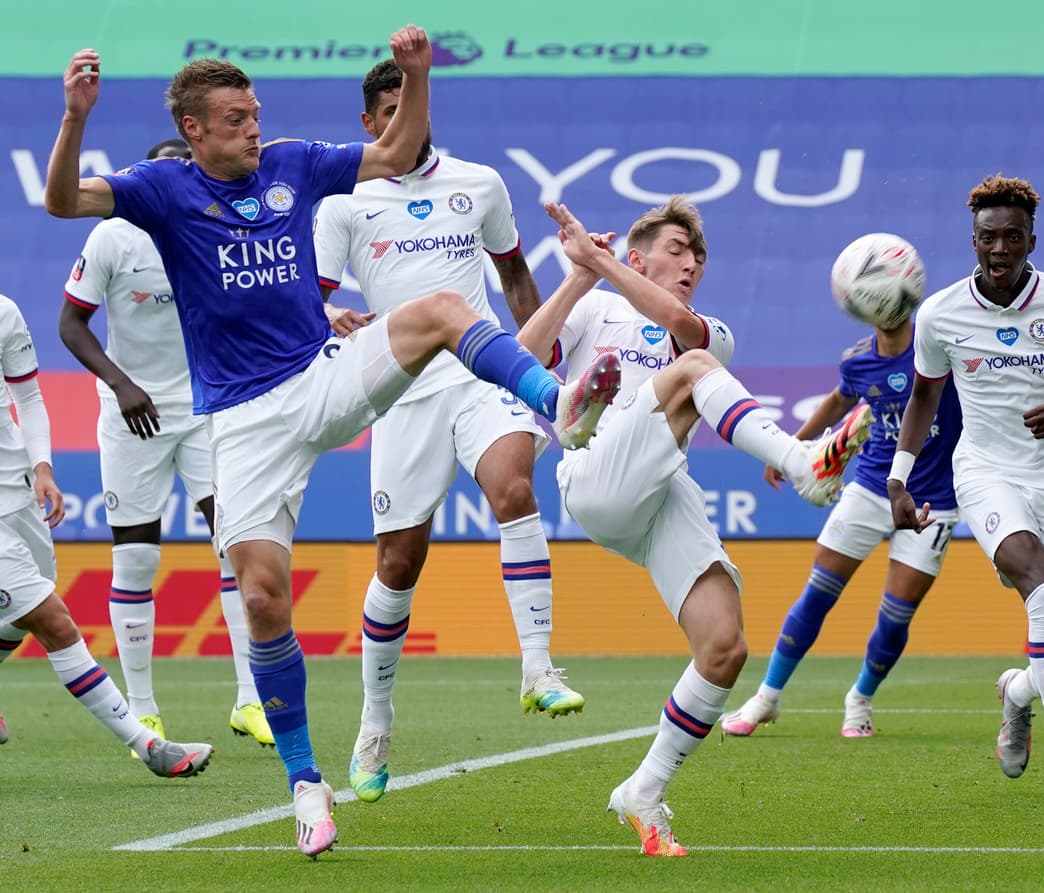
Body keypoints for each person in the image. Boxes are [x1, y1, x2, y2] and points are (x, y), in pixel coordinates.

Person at [46, 27, 618, 858]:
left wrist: (417, 75)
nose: (253, 127)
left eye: (256, 113)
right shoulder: (161, 190)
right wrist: (73, 118)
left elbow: (391, 151)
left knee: (443, 310)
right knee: (266, 596)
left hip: (321, 375)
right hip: (242, 422)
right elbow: (64, 202)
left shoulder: (294, 164)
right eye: (237, 118)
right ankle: (307, 783)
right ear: (196, 128)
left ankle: (555, 402)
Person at [517, 198, 870, 856]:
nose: (691, 262)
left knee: (725, 645)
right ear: (637, 255)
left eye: (697, 256)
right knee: (691, 374)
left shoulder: (708, 329)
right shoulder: (595, 307)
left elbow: (678, 321)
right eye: (676, 249)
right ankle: (804, 464)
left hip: (656, 489)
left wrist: (597, 259)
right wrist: (578, 276)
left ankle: (644, 789)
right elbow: (520, 356)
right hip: (592, 468)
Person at [313, 59, 582, 806]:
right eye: (392, 110)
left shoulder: (480, 184)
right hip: (399, 389)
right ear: (370, 125)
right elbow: (314, 296)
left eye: (416, 103)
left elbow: (516, 271)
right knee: (399, 563)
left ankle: (538, 667)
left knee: (514, 484)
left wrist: (537, 355)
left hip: (479, 371)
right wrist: (327, 316)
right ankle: (374, 722)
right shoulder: (345, 202)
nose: (408, 118)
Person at [887, 174, 1044, 804]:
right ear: (974, 240)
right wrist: (898, 479)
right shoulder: (940, 313)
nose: (1000, 249)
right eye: (989, 237)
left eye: (1013, 236)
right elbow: (924, 397)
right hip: (987, 473)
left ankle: (1017, 692)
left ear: (1032, 239)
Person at [58, 137, 273, 751]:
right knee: (136, 560)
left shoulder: (216, 227)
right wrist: (122, 384)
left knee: (235, 549)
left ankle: (249, 700)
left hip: (208, 408)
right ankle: (145, 710)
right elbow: (70, 323)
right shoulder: (113, 236)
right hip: (132, 413)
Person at [0, 290, 213, 777]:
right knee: (53, 619)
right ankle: (150, 747)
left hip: (16, 487)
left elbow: (27, 397)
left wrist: (43, 467)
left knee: (26, 609)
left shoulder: (5, 312)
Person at [721, 316, 963, 739]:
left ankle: (860, 698)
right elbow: (838, 400)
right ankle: (766, 696)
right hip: (870, 487)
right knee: (817, 594)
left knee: (896, 615)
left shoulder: (941, 349)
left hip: (933, 499)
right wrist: (791, 447)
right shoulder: (858, 360)